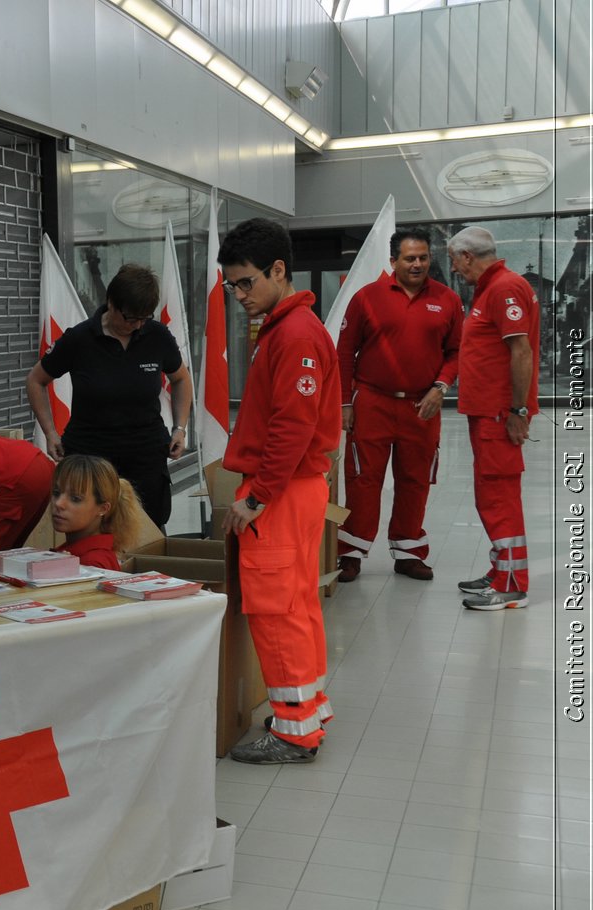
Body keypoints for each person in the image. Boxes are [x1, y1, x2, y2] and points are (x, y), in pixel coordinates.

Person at [217, 219, 341, 766]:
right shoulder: (289, 327)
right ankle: (305, 711)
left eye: (245, 283)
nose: (239, 295)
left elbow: (292, 425)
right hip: (297, 488)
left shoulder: (294, 334)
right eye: (231, 287)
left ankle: (294, 732)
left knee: (274, 609)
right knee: (297, 602)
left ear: (278, 271)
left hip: (283, 491)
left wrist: (255, 498)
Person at [334, 229, 463, 584]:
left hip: (423, 406)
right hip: (372, 402)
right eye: (409, 258)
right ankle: (350, 553)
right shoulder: (367, 298)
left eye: (423, 257)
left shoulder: (448, 300)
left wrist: (441, 387)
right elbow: (344, 353)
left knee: (415, 480)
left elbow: (456, 352)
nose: (418, 264)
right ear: (393, 261)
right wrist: (345, 403)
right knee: (363, 480)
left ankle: (408, 553)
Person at [24, 263, 192, 529]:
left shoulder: (157, 336)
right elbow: (36, 380)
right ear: (111, 303)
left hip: (145, 453)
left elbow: (181, 379)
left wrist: (180, 428)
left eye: (143, 318)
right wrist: (50, 433)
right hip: (91, 453)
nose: (136, 325)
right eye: (129, 317)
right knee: (91, 531)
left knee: (147, 530)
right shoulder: (79, 339)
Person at [447, 225, 540, 610]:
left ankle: (511, 583)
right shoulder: (490, 288)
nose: (454, 269)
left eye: (454, 261)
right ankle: (501, 567)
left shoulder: (504, 287)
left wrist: (518, 411)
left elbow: (521, 351)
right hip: (487, 413)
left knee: (499, 497)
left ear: (468, 256)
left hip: (499, 415)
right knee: (490, 495)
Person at [48, 454, 150, 570]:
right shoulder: (77, 553)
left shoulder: (91, 563)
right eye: (56, 493)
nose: (58, 503)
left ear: (103, 508)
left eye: (75, 499)